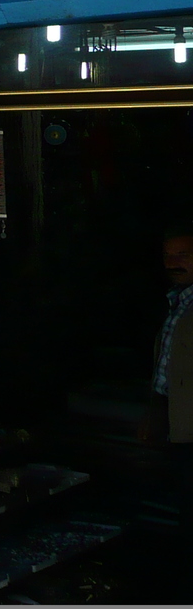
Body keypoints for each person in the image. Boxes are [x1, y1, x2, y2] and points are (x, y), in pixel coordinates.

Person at [143, 227, 193, 545]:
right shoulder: (178, 303)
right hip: (178, 432)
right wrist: (155, 414)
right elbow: (167, 371)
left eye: (182, 255)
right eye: (167, 255)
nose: (171, 262)